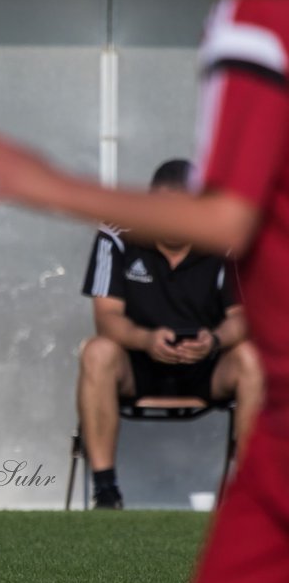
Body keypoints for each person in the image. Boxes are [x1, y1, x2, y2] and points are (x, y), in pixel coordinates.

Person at [0, 0, 289, 583]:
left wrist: (48, 184)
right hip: (265, 401)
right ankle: (107, 492)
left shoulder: (257, 16)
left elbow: (228, 215)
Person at [78, 159, 262, 509]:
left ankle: (248, 492)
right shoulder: (116, 236)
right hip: (136, 365)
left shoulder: (226, 240)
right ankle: (106, 492)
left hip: (206, 366)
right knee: (97, 351)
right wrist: (147, 340)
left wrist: (214, 341)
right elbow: (107, 319)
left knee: (251, 357)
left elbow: (242, 319)